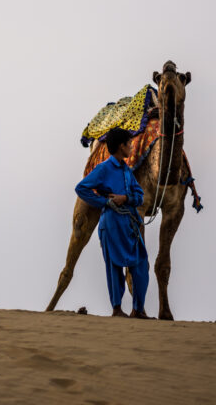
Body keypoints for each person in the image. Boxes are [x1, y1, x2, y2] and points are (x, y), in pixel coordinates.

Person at [74, 127, 152, 319]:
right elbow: (81, 188)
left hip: (130, 223)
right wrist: (105, 202)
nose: (132, 147)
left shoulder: (127, 170)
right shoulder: (103, 169)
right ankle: (117, 309)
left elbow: (139, 196)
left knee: (141, 263)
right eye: (129, 143)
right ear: (120, 146)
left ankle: (138, 309)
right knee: (114, 266)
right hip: (111, 222)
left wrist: (124, 198)